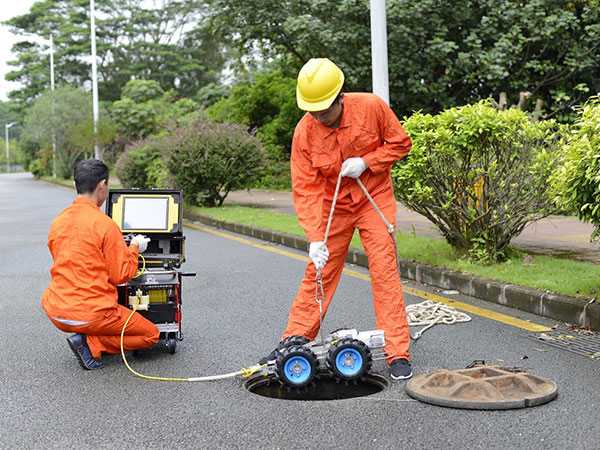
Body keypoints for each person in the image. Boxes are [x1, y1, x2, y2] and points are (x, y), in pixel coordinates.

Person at [260, 58, 413, 380]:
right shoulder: (304, 132)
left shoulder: (372, 107)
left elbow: (401, 143)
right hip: (333, 207)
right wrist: (315, 237)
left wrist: (368, 161)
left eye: (324, 111)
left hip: (374, 199)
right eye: (312, 111)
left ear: (340, 96)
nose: (319, 117)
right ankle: (295, 339)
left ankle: (397, 351)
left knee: (384, 272)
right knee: (318, 271)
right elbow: (306, 188)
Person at [42, 159, 159, 370]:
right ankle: (92, 342)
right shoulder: (105, 225)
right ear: (102, 185)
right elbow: (120, 275)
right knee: (151, 335)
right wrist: (134, 248)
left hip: (56, 310)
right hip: (92, 313)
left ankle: (88, 336)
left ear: (76, 186)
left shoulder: (58, 221)